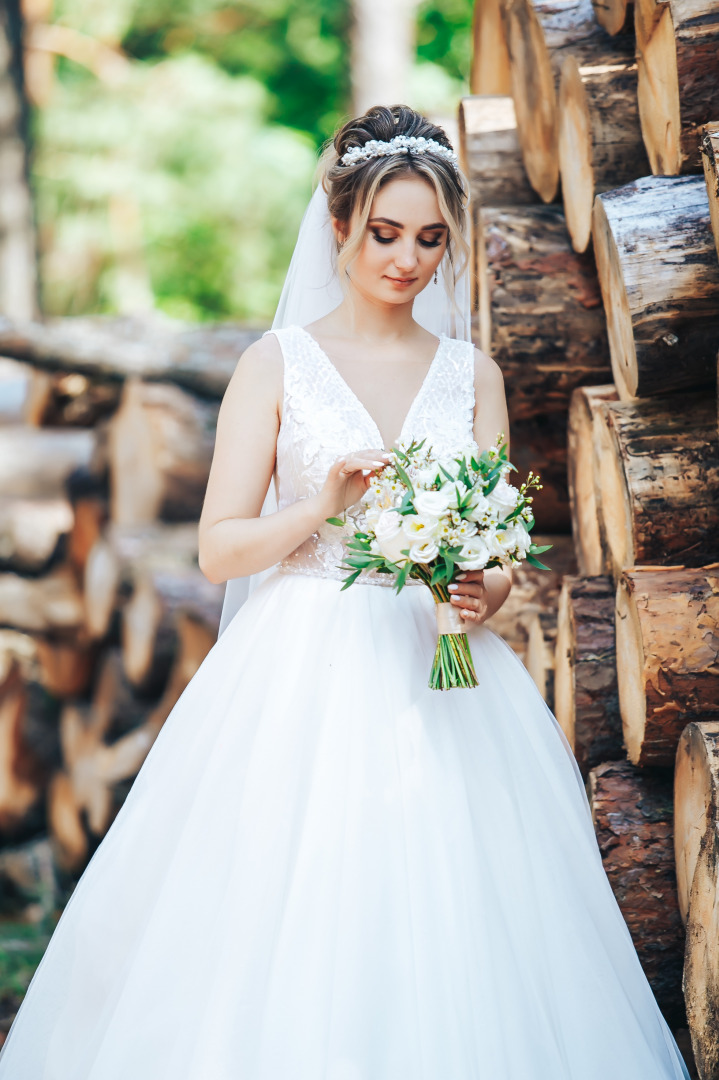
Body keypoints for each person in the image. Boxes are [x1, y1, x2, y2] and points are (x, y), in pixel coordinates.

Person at [0, 105, 690, 1079]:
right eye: (383, 233)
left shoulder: (470, 374)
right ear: (338, 227)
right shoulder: (274, 364)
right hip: (297, 671)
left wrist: (478, 592)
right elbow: (218, 552)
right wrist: (319, 507)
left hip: (445, 683)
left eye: (427, 239)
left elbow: (496, 552)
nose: (405, 260)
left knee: (459, 915)